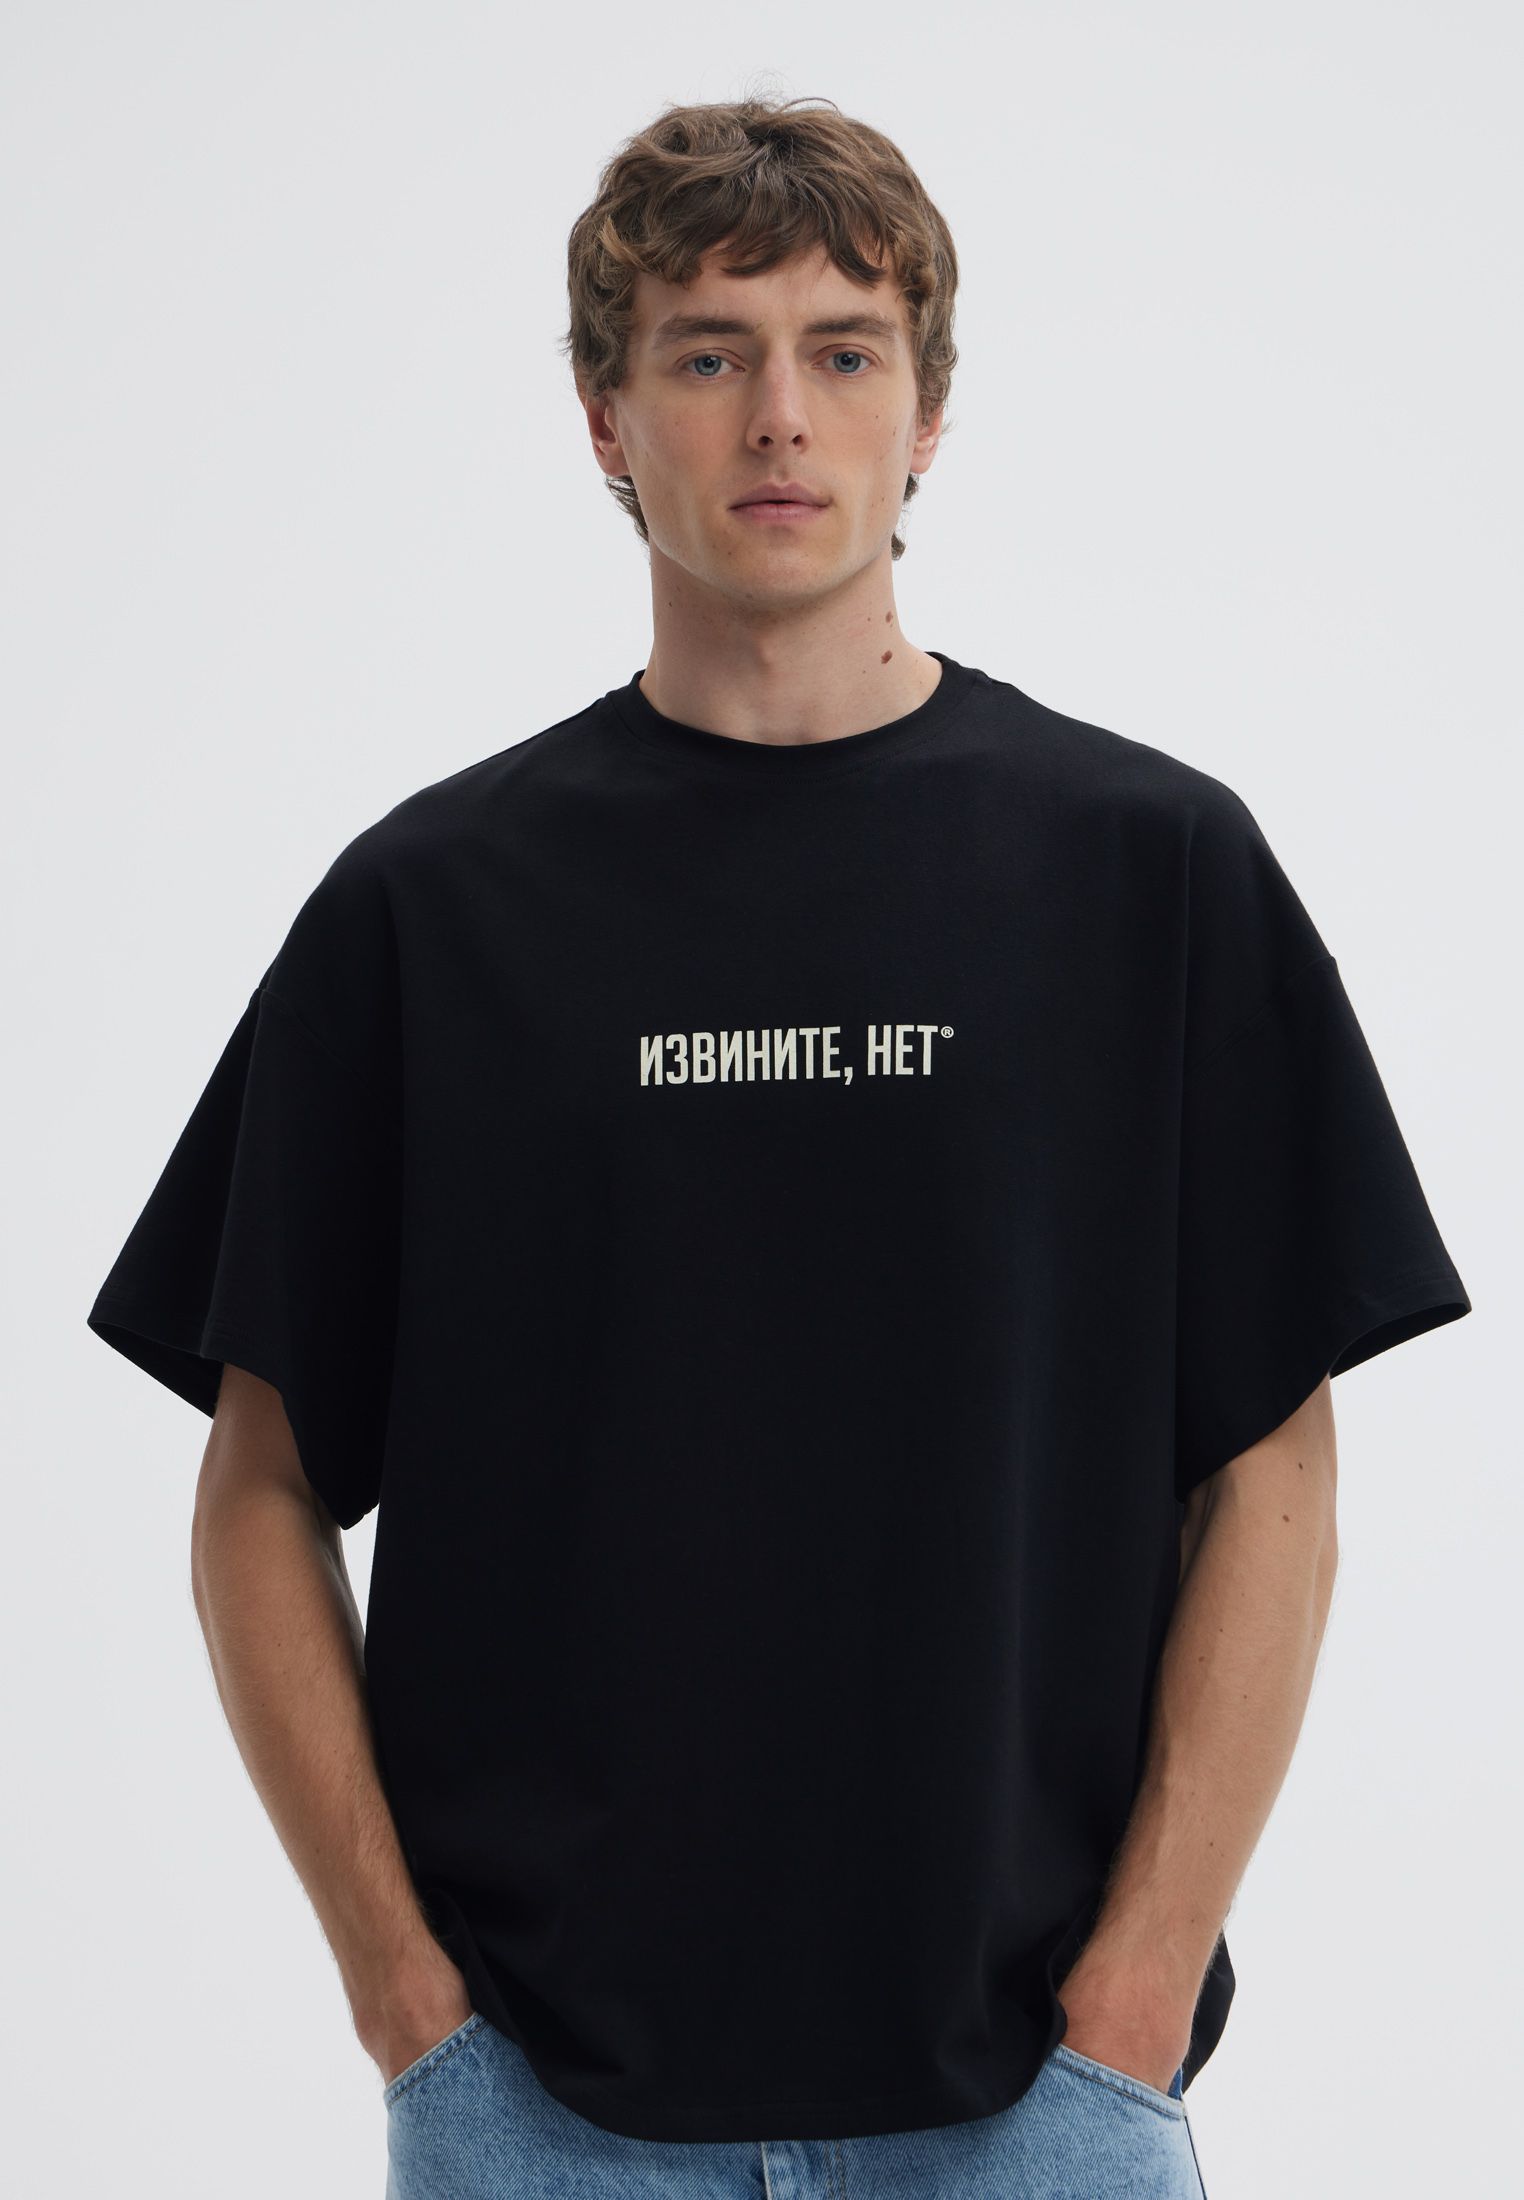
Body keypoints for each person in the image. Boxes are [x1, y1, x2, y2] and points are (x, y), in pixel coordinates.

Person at [86, 95, 1471, 2200]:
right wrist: (405, 2001)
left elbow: (1273, 1468)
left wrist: (1134, 1994)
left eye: (844, 349)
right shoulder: (430, 913)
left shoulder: (1150, 874)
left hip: (1037, 2105)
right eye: (708, 352)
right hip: (545, 2110)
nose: (780, 417)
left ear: (929, 414)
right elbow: (259, 1489)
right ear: (603, 415)